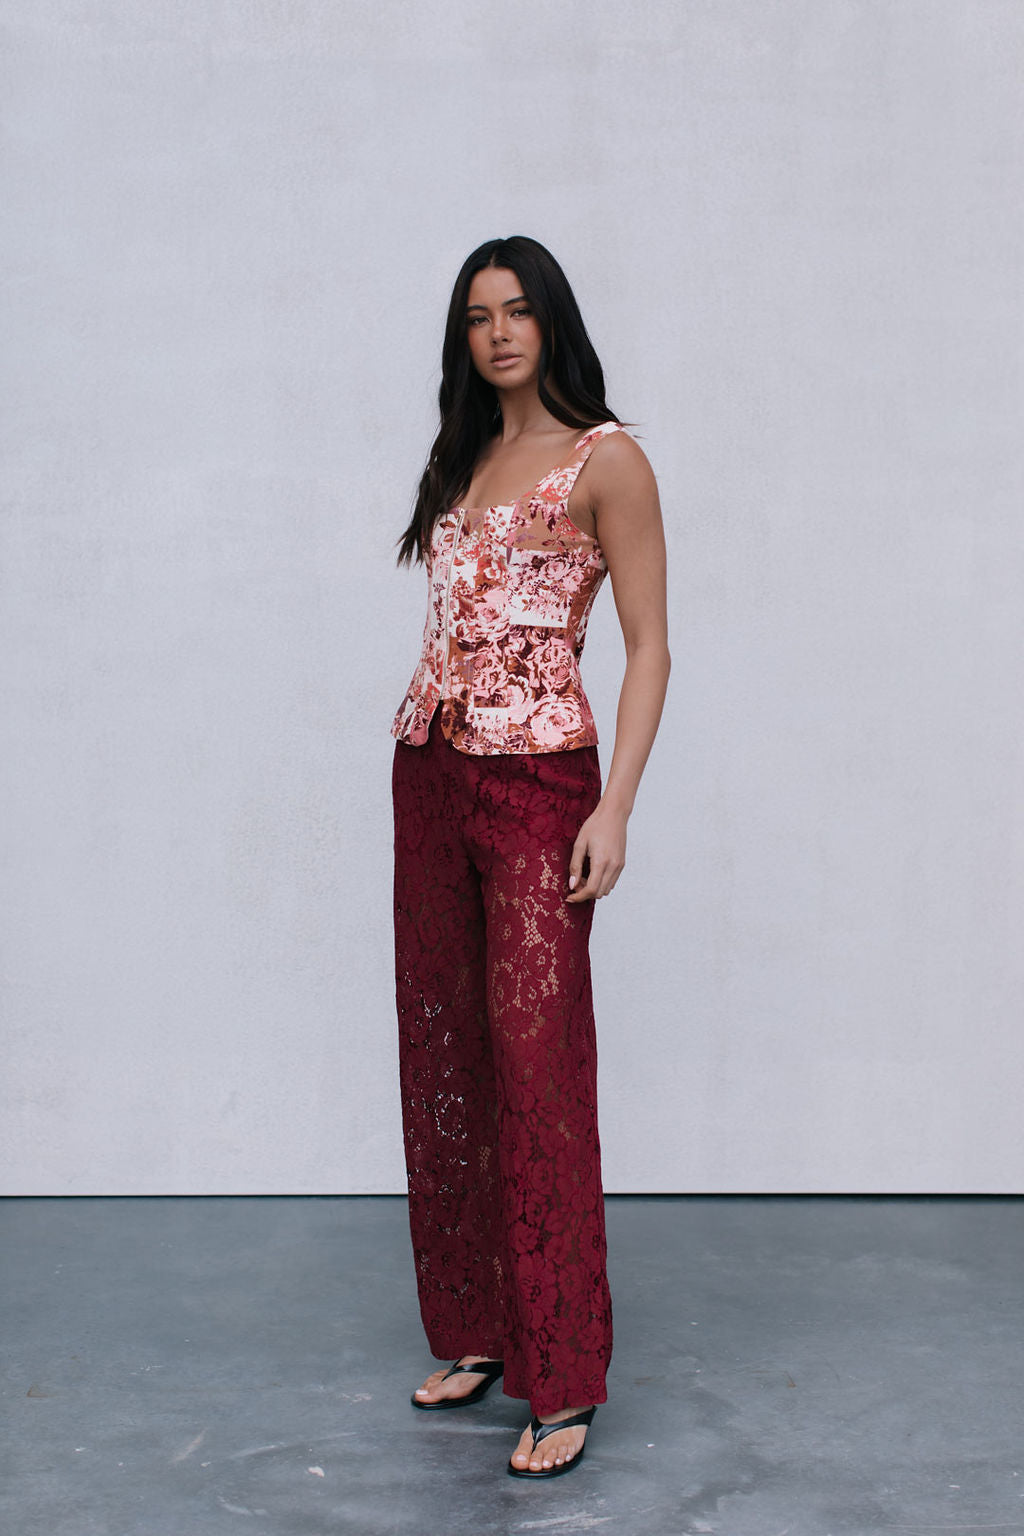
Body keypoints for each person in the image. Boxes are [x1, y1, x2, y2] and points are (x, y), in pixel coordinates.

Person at [391, 235, 670, 1479]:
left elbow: (651, 646)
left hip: (540, 784)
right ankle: (479, 1329)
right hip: (427, 769)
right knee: (445, 1052)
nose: (498, 333)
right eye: (476, 317)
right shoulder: (464, 456)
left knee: (539, 1071)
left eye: (517, 312)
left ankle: (563, 1375)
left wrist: (612, 810)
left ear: (551, 322)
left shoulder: (607, 461)